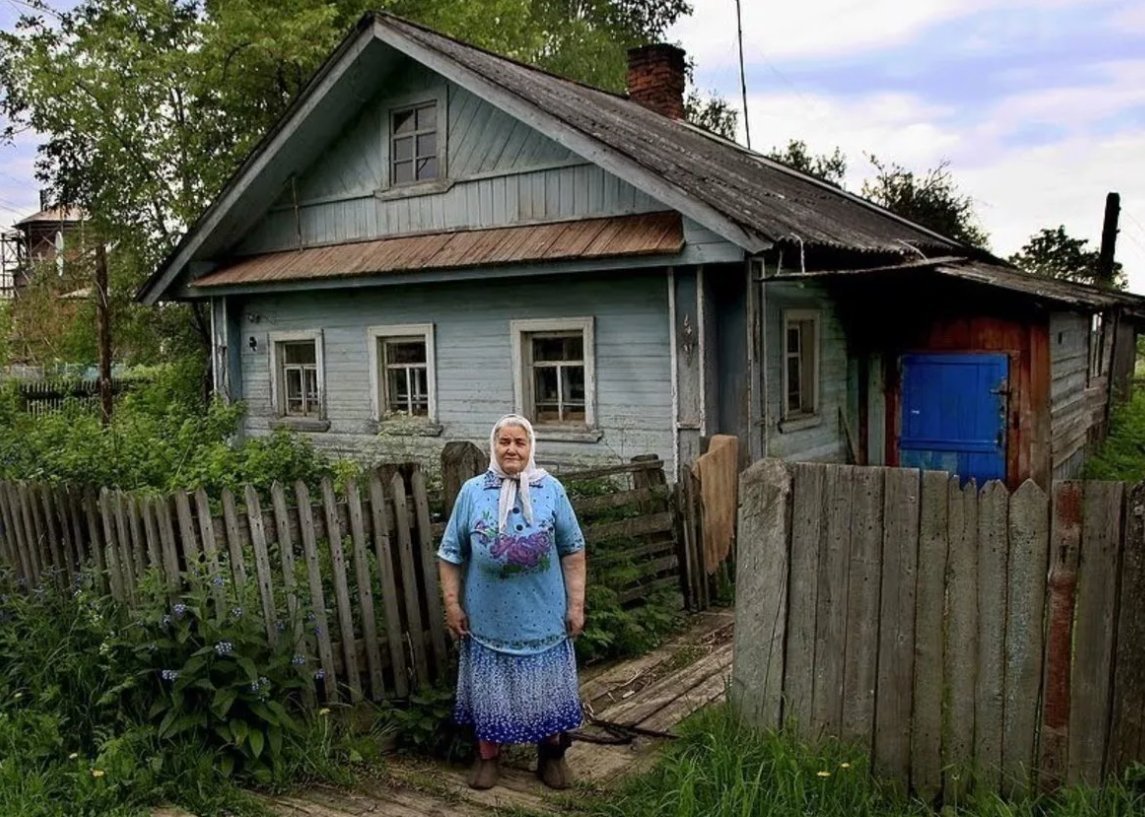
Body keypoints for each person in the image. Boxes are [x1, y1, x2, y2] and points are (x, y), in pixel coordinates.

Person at [437, 414, 587, 791]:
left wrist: (576, 606)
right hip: (487, 621)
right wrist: (452, 604)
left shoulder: (551, 489)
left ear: (530, 446)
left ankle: (551, 757)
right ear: (494, 446)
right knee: (491, 693)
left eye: (519, 442)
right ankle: (488, 758)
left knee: (547, 691)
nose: (511, 449)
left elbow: (573, 550)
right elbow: (450, 553)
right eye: (504, 441)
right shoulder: (473, 491)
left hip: (544, 618)